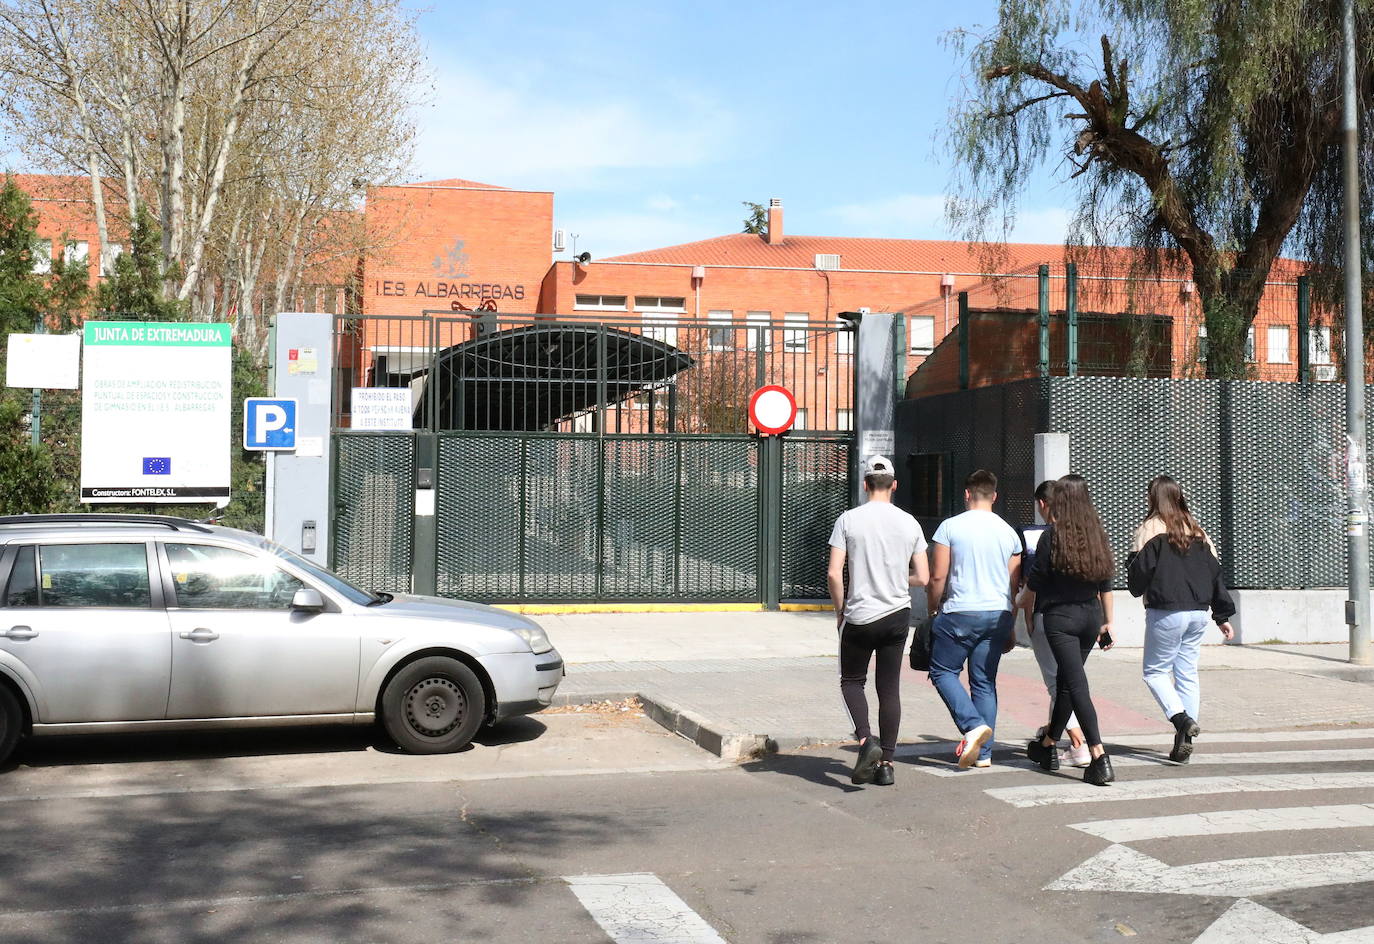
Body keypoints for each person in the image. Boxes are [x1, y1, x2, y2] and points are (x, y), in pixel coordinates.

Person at [827, 455, 929, 787]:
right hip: (897, 615)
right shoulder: (910, 523)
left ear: (865, 484)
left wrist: (840, 610)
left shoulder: (848, 520)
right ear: (894, 485)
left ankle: (865, 740)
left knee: (851, 681)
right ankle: (886, 764)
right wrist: (898, 578)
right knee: (889, 689)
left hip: (859, 616)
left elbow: (834, 573)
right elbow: (923, 577)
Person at [1128, 474, 1236, 764]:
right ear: (1179, 497)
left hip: (1166, 611)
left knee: (1155, 672)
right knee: (1187, 673)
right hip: (1199, 613)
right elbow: (1215, 574)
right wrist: (1222, 615)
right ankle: (1185, 738)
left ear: (1153, 498)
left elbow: (1138, 575)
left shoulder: (1149, 529)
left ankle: (1181, 720)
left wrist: (1135, 580)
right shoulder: (1198, 530)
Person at [926, 469, 1022, 770]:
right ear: (994, 496)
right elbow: (1014, 584)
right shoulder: (1009, 533)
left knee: (942, 671)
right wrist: (1011, 622)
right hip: (998, 613)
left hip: (960, 612)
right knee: (984, 681)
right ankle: (984, 753)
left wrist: (933, 608)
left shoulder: (950, 527)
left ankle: (972, 725)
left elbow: (938, 576)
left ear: (966, 494)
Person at [1025, 473, 1116, 786]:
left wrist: (1022, 600)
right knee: (1066, 683)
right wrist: (1107, 621)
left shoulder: (1053, 536)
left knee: (1075, 685)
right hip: (1090, 616)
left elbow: (1037, 578)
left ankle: (1099, 755)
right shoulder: (1097, 534)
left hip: (1061, 618)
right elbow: (1106, 580)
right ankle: (1047, 744)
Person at [1017, 480, 1091, 768]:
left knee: (1058, 682)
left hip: (1050, 616)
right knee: (1067, 680)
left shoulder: (1041, 537)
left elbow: (1031, 581)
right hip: (1084, 615)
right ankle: (1052, 735)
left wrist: (1025, 613)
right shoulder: (1085, 534)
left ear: (1043, 504)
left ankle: (1078, 742)